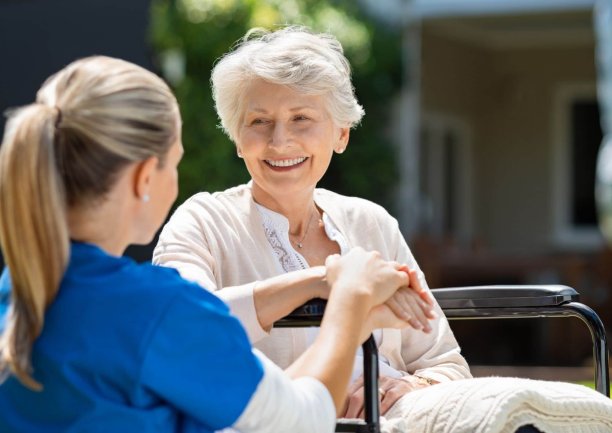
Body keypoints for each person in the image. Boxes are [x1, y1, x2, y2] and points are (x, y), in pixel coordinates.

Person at [0, 55, 420, 433]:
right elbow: (304, 421)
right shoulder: (157, 310)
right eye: (177, 162)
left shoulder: (19, 287)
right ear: (146, 177)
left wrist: (317, 286)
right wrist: (350, 299)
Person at [153, 26, 471, 420]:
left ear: (341, 134)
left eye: (301, 118)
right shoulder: (202, 222)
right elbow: (183, 330)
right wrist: (324, 281)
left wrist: (409, 387)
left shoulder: (371, 223)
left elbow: (446, 364)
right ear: (237, 138)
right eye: (259, 122)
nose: (279, 141)